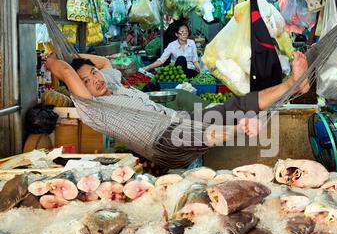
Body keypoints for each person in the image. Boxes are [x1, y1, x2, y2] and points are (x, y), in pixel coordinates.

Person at [44, 51, 309, 169]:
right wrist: (53, 60)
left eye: (93, 74)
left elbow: (103, 62)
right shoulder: (91, 107)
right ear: (79, 88)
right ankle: (241, 128)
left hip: (175, 121)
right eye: (87, 81)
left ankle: (294, 84)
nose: (95, 80)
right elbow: (67, 73)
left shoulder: (111, 82)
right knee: (196, 132)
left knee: (234, 105)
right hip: (162, 145)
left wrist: (80, 57)